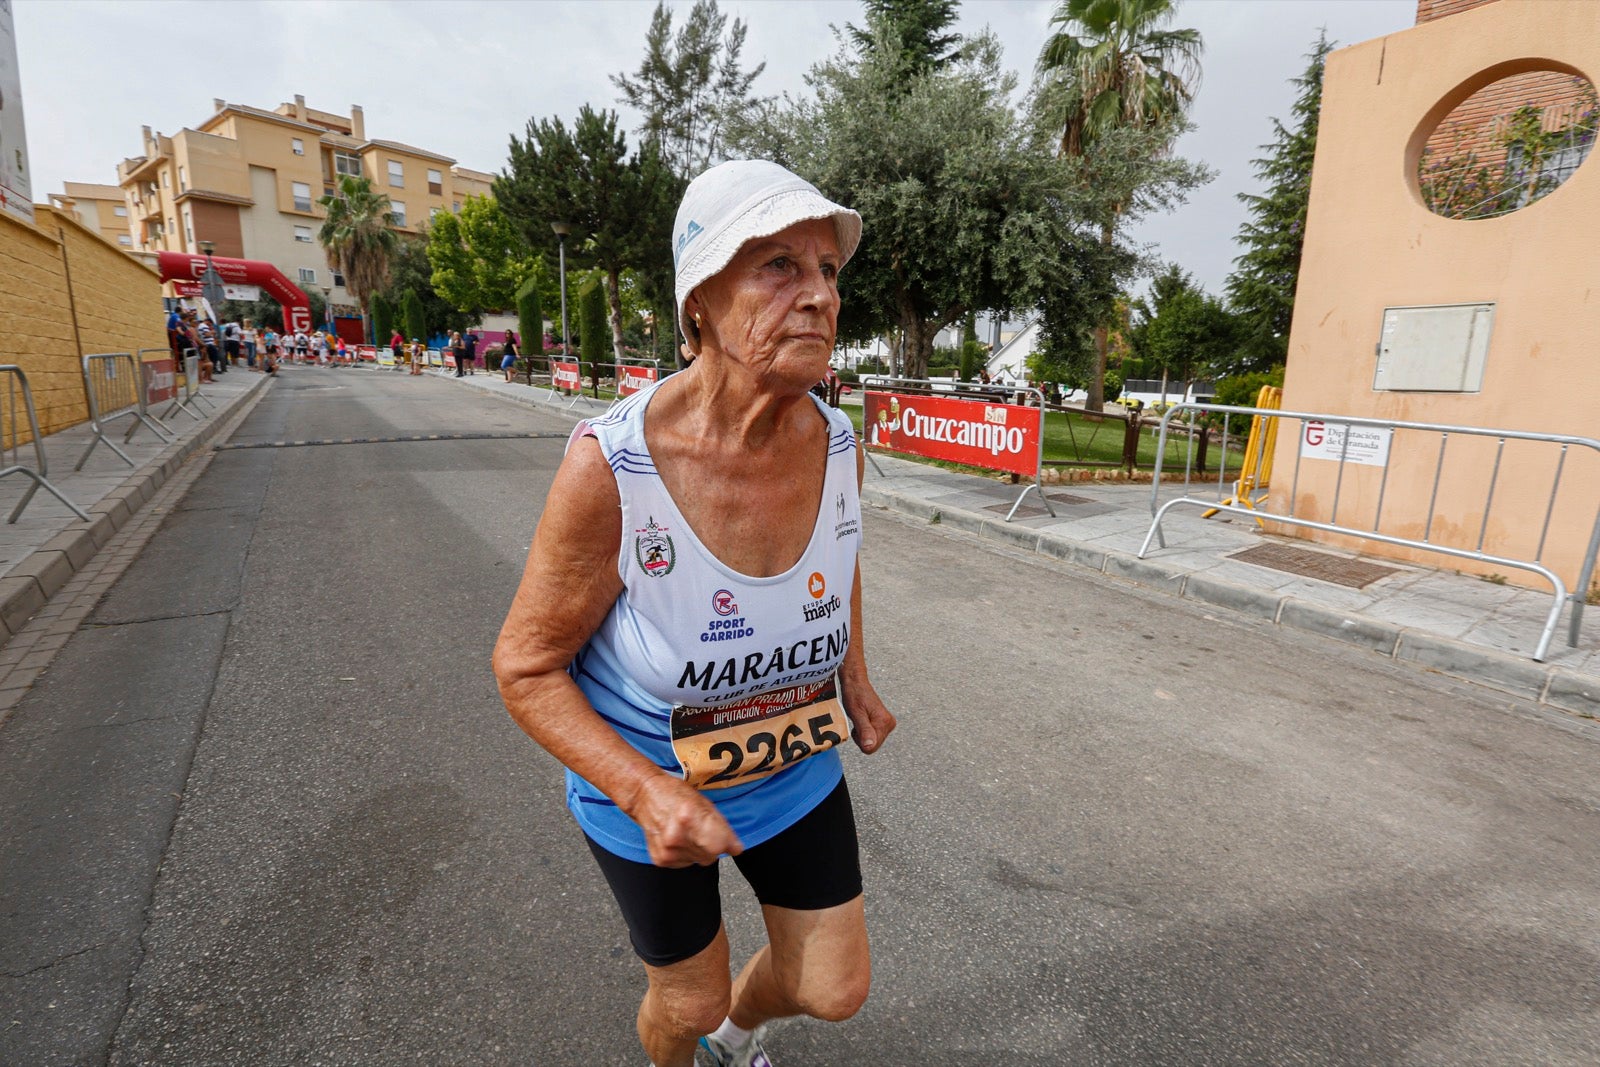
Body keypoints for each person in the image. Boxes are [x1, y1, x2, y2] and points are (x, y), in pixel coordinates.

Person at [493, 159, 893, 1067]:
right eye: (780, 267)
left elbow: (840, 556)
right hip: (648, 784)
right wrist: (646, 790)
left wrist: (855, 678)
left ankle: (736, 1039)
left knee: (834, 986)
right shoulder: (615, 466)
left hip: (790, 760)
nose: (820, 296)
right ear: (698, 304)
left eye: (827, 270)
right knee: (687, 997)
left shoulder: (836, 443)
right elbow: (524, 666)